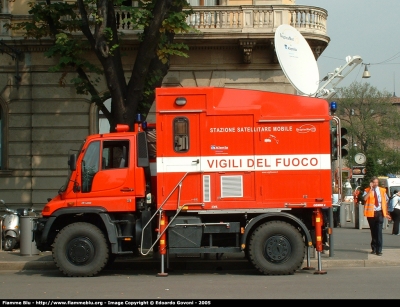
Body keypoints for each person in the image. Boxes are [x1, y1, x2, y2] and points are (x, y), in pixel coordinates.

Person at [362, 176, 392, 256]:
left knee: (379, 231)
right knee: (373, 231)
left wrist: (386, 213)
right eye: (374, 182)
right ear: (371, 183)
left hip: (379, 213)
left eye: (377, 182)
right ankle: (374, 248)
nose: (375, 184)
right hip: (371, 214)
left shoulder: (382, 190)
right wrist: (370, 190)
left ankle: (379, 249)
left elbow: (386, 200)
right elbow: (365, 199)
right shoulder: (367, 190)